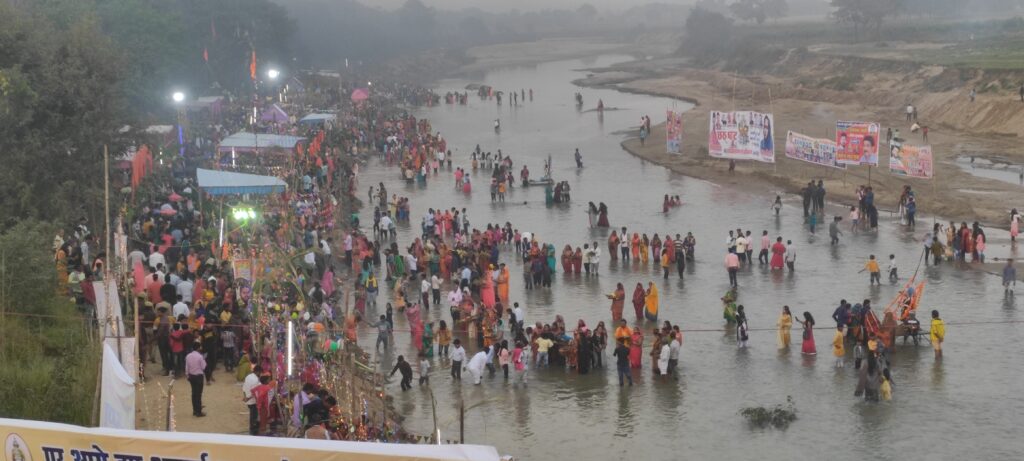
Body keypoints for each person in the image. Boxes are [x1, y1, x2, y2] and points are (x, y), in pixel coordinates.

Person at [185, 342, 206, 417]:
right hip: (199, 376)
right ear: (198, 348)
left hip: (191, 376)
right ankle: (198, 411)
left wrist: (187, 375)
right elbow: (203, 367)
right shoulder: (200, 356)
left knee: (194, 393)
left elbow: (187, 367)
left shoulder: (188, 356)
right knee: (198, 394)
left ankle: (194, 410)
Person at [242, 365, 261, 435]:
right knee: (254, 416)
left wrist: (245, 397)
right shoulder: (256, 380)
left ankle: (252, 429)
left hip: (248, 399)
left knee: (252, 415)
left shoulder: (248, 376)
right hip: (252, 401)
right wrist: (247, 398)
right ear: (258, 372)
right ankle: (253, 431)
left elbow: (244, 387)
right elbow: (254, 392)